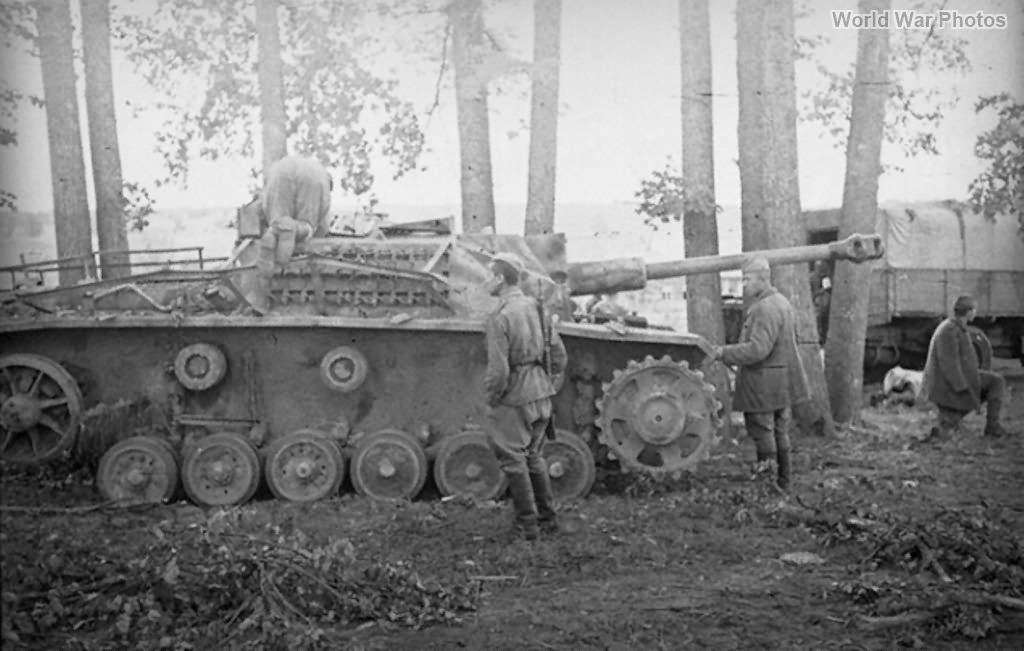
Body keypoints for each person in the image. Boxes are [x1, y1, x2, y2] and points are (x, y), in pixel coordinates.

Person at [482, 252, 568, 540]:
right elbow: (559, 355)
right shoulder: (538, 308)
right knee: (534, 456)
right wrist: (546, 379)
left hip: (516, 396)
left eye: (488, 275)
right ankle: (548, 521)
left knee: (513, 458)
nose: (484, 281)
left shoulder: (500, 317)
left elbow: (498, 372)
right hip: (541, 391)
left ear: (499, 278)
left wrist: (493, 398)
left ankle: (527, 526)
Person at [710, 255, 809, 490]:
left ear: (763, 280)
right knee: (779, 432)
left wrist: (723, 352)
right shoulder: (782, 302)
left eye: (747, 279)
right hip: (781, 382)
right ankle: (784, 483)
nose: (743, 285)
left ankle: (768, 485)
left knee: (763, 433)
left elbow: (758, 350)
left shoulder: (764, 308)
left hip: (763, 384)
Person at [921, 295, 1014, 440]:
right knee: (996, 382)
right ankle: (990, 427)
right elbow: (949, 363)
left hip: (961, 379)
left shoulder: (954, 327)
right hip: (949, 384)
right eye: (974, 310)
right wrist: (962, 387)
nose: (975, 313)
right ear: (969, 312)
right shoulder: (949, 330)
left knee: (995, 381)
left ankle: (952, 423)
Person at [249, 155, 333, 314]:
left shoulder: (274, 172)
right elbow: (322, 230)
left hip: (279, 172)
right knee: (307, 226)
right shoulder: (321, 175)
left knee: (274, 229)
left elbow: (260, 211)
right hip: (314, 177)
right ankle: (292, 227)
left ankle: (260, 301)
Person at [810, 260, 832, 343]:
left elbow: (828, 289)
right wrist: (820, 292)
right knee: (816, 320)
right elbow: (810, 293)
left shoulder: (824, 277)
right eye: (819, 267)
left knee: (823, 321)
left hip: (823, 304)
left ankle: (822, 338)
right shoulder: (811, 277)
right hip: (815, 303)